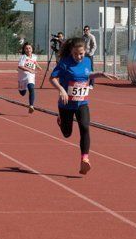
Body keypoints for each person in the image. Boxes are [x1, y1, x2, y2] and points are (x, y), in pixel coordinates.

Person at [49, 37, 116, 175]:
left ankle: (84, 159)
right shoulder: (64, 62)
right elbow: (52, 78)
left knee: (85, 127)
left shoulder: (86, 61)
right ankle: (60, 120)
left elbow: (88, 75)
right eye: (75, 54)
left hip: (82, 103)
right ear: (71, 52)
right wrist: (61, 90)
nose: (78, 57)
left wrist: (100, 74)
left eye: (81, 54)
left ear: (85, 51)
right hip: (66, 104)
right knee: (67, 134)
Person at [17, 42, 41, 113]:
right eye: (26, 48)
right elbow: (20, 66)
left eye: (29, 48)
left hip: (30, 76)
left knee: (31, 88)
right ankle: (23, 89)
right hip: (22, 76)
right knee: (22, 93)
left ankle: (31, 106)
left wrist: (38, 66)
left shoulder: (34, 56)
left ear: (32, 49)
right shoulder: (23, 57)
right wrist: (29, 69)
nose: (28, 50)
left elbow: (34, 61)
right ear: (24, 50)